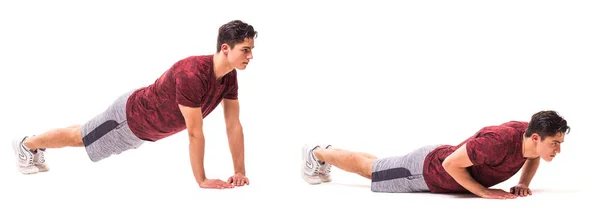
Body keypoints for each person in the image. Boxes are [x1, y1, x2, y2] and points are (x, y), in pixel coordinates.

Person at [11, 20, 257, 190]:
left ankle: (34, 145)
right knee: (81, 137)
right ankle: (27, 145)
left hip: (144, 129)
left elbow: (233, 125)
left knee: (84, 130)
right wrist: (201, 180)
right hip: (129, 120)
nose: (250, 56)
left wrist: (240, 172)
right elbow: (195, 132)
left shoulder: (229, 77)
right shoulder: (192, 74)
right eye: (245, 50)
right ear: (225, 48)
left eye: (251, 50)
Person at [301, 110, 570, 199]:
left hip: (428, 163)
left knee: (376, 163)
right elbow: (451, 164)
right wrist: (485, 192)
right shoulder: (498, 143)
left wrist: (523, 183)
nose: (557, 149)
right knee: (369, 169)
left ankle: (326, 154)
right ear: (536, 137)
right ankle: (317, 154)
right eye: (555, 143)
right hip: (425, 172)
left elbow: (533, 156)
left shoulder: (529, 140)